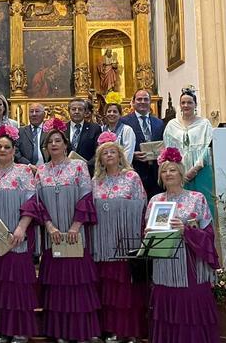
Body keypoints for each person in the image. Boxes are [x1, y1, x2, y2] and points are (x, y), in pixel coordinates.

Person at [34, 118, 101, 343]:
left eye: (57, 141)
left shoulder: (78, 167)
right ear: (46, 147)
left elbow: (85, 196)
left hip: (75, 234)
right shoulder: (41, 171)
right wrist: (50, 226)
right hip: (52, 235)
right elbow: (38, 203)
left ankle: (81, 331)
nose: (54, 144)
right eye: (50, 142)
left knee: (78, 284)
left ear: (65, 144)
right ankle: (60, 331)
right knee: (57, 285)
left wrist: (75, 225)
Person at [146, 148, 219, 342]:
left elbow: (209, 235)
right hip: (164, 266)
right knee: (166, 309)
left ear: (181, 172)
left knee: (191, 307)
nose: (168, 174)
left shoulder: (196, 198)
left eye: (172, 170)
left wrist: (186, 230)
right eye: (164, 171)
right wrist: (149, 234)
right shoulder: (155, 201)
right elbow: (149, 236)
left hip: (190, 268)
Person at [0, 125, 39, 343]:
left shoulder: (24, 172)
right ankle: (3, 329)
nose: (2, 150)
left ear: (14, 150)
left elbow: (32, 202)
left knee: (17, 288)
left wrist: (22, 227)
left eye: (7, 147)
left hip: (16, 238)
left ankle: (20, 330)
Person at [91, 132, 147, 342]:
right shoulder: (96, 180)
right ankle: (113, 330)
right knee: (109, 290)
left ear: (121, 155)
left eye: (113, 151)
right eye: (105, 153)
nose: (109, 155)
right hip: (104, 243)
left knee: (126, 290)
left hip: (126, 240)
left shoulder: (132, 177)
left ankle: (129, 332)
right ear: (100, 159)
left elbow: (142, 205)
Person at [163, 87, 215, 217]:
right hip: (179, 172)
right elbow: (168, 149)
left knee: (205, 204)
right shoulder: (171, 125)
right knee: (181, 206)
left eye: (189, 102)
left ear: (195, 105)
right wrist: (178, 170)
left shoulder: (204, 123)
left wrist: (195, 169)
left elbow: (208, 148)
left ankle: (206, 235)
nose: (186, 105)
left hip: (201, 170)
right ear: (179, 105)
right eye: (183, 103)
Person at [120, 89, 165, 198]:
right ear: (133, 102)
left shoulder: (159, 122)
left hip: (156, 173)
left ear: (150, 102)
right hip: (136, 170)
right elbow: (118, 146)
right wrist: (131, 154)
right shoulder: (124, 122)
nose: (142, 102)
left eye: (146, 99)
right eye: (139, 99)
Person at [65, 99, 103, 175]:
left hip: (88, 171)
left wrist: (87, 166)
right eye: (73, 109)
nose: (76, 112)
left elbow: (99, 151)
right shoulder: (62, 128)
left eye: (80, 109)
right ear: (69, 111)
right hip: (65, 171)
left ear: (85, 112)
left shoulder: (94, 128)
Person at [15, 102, 47, 167]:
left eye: (37, 111)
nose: (34, 114)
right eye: (31, 111)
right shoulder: (20, 132)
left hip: (47, 169)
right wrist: (28, 165)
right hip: (25, 169)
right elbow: (16, 152)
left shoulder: (50, 131)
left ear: (44, 114)